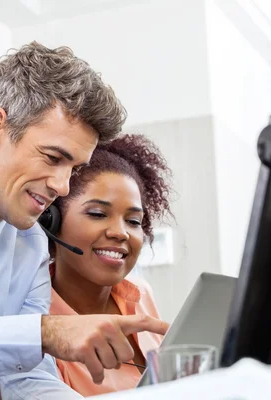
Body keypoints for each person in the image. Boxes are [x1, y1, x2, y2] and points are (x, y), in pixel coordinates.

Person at [0, 42, 169, 399]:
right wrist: (42, 334)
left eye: (74, 169)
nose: (62, 185)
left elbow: (24, 378)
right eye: (53, 157)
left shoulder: (31, 244)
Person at [48, 133, 172, 397]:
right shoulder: (35, 325)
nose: (121, 232)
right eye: (98, 214)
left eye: (133, 221)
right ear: (52, 223)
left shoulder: (140, 295)